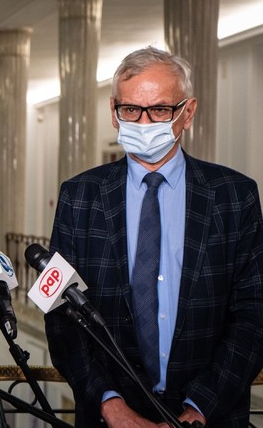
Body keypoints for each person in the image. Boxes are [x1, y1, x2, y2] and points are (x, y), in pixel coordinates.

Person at [44, 46, 263, 427]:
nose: (144, 123)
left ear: (187, 113)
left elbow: (253, 315)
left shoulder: (234, 196)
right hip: (109, 418)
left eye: (160, 110)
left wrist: (198, 411)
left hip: (210, 416)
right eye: (131, 109)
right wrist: (112, 407)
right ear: (114, 112)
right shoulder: (79, 196)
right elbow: (60, 314)